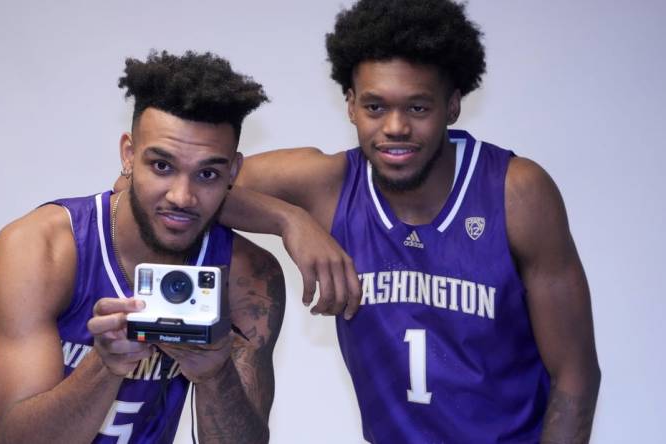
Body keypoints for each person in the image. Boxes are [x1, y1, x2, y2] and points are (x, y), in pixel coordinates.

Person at [231, 0, 601, 442]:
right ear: (350, 105)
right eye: (375, 107)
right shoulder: (329, 185)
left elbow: (575, 375)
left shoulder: (515, 192)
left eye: (418, 109)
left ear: (453, 105)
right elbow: (186, 190)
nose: (395, 127)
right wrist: (289, 221)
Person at [0, 50, 287, 444]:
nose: (182, 196)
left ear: (232, 172)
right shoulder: (41, 248)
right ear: (129, 155)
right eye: (162, 166)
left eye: (207, 173)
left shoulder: (246, 276)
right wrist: (105, 365)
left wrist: (217, 375)